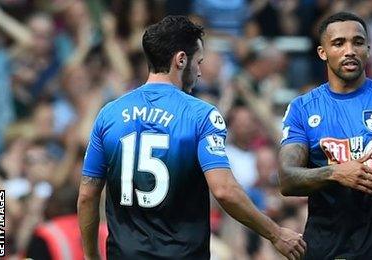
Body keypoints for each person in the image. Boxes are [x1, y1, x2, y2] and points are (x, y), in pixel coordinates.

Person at [77, 16, 306, 260]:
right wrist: (275, 233)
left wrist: (92, 256)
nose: (199, 72)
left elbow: (87, 196)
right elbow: (224, 190)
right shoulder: (201, 115)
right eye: (199, 62)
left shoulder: (109, 114)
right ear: (181, 60)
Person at [279, 12, 372, 259]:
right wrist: (336, 172)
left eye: (357, 42)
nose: (350, 50)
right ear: (322, 52)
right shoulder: (303, 108)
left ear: (368, 48)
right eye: (338, 43)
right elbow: (287, 179)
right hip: (323, 248)